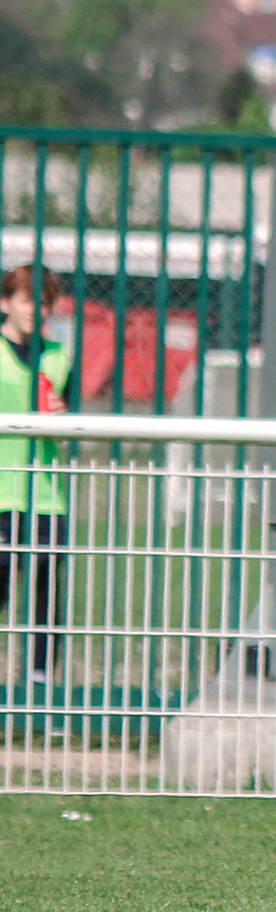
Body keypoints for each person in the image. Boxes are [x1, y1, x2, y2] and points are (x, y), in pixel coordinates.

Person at [0, 265, 71, 688]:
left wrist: (63, 415)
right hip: (2, 492)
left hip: (45, 494)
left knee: (45, 592)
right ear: (6, 302)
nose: (35, 310)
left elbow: (73, 419)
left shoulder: (59, 356)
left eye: (43, 302)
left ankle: (40, 678)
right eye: (27, 300)